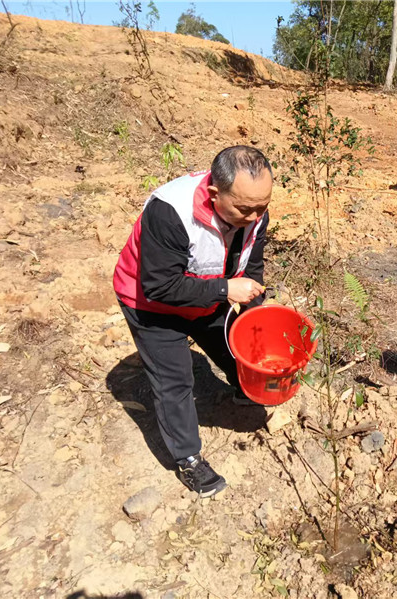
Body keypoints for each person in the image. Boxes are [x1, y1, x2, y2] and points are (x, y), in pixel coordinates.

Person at [113, 145, 272, 496]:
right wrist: (226, 288)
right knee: (175, 380)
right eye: (246, 209)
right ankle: (187, 459)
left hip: (209, 292)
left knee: (233, 341)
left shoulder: (254, 211)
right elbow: (159, 286)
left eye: (262, 206)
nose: (255, 215)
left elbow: (253, 264)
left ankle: (244, 389)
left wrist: (254, 307)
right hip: (151, 304)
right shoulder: (170, 211)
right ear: (215, 194)